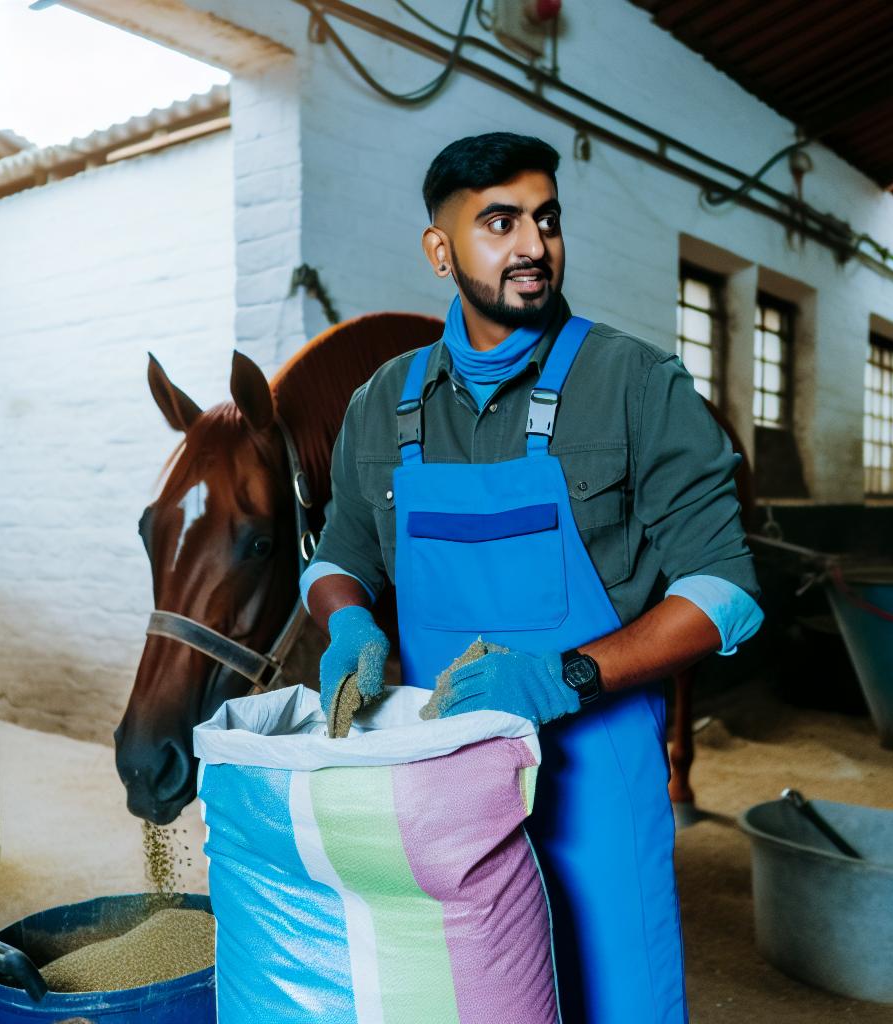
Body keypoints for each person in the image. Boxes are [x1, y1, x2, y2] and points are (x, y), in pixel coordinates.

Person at [300, 132, 762, 1023]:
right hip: (442, 780)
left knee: (615, 999)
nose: (532, 246)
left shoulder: (636, 383)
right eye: (499, 222)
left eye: (546, 220)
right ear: (440, 250)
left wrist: (567, 674)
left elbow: (726, 591)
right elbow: (338, 557)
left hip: (598, 777)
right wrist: (349, 622)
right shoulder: (382, 403)